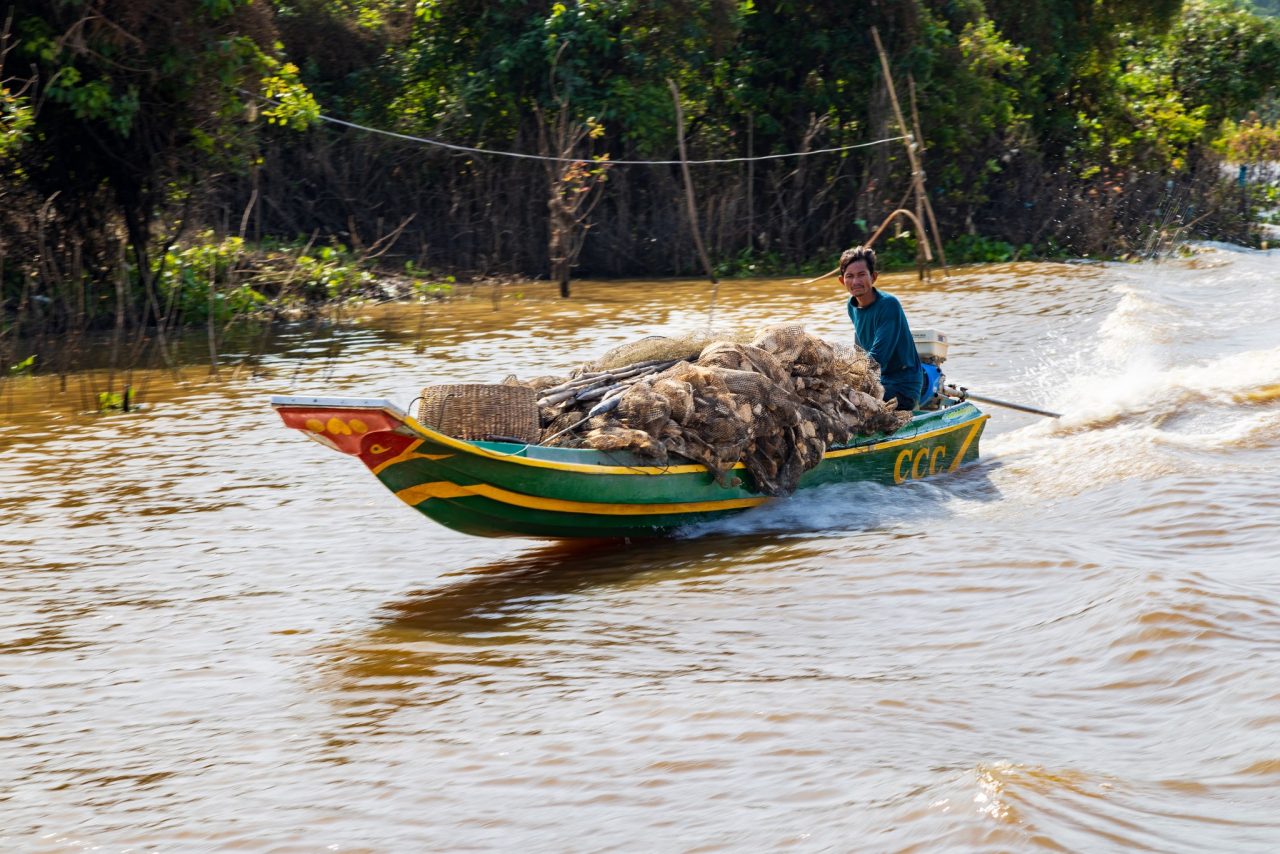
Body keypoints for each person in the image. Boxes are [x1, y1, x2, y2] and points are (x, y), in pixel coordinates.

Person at [840, 245, 924, 411]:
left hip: (903, 386)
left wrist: (845, 378)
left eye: (862, 275)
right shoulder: (852, 307)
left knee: (846, 402)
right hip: (878, 381)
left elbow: (877, 359)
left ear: (874, 277)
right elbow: (860, 351)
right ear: (842, 281)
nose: (855, 282)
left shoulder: (888, 305)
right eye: (850, 276)